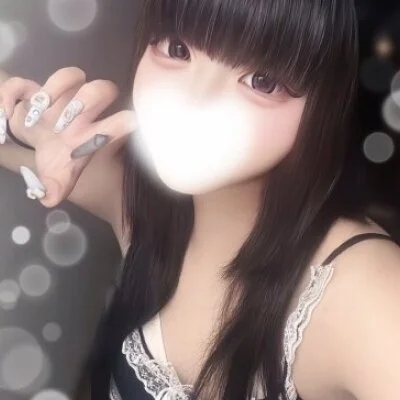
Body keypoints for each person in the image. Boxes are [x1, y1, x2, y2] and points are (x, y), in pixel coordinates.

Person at [1, 1, 400, 399]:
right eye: (177, 49)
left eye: (262, 82)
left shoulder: (362, 289)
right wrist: (20, 124)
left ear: (322, 107)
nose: (195, 97)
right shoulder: (142, 201)